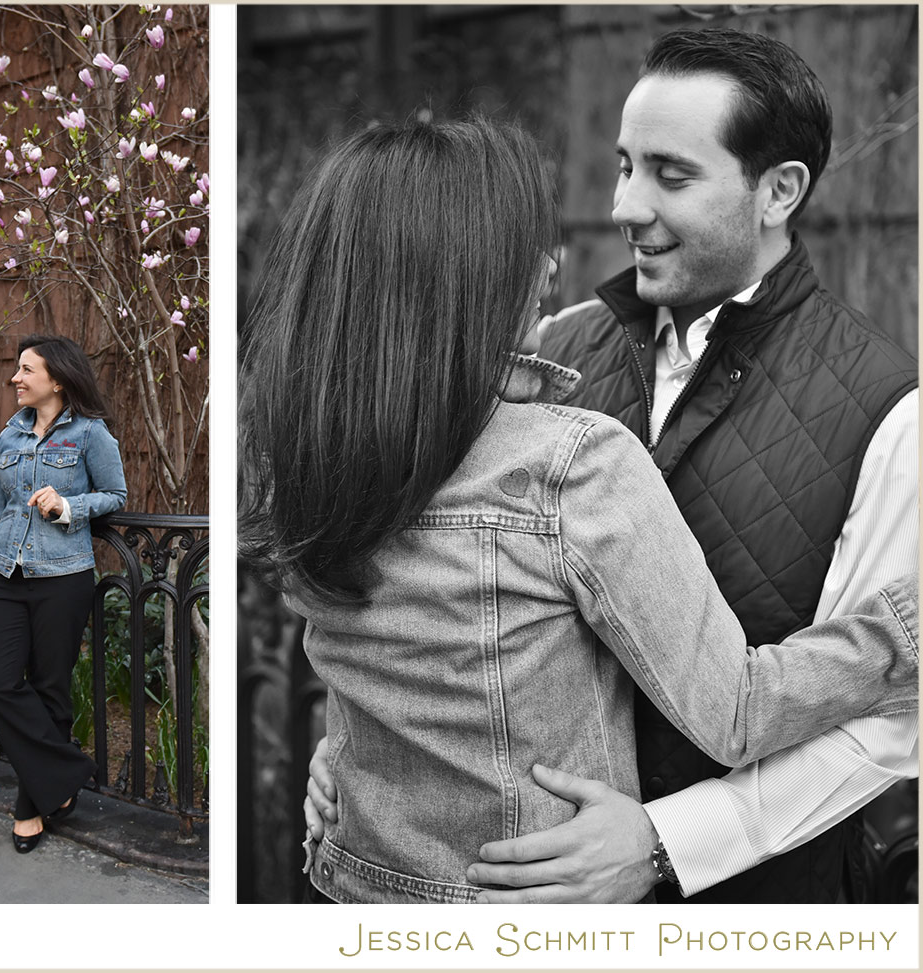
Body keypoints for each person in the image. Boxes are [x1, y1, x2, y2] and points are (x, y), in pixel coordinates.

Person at [304, 27, 919, 903]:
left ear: (778, 191)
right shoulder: (549, 351)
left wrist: (669, 841)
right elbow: (427, 595)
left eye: (671, 175)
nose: (626, 204)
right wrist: (356, 754)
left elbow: (891, 725)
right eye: (625, 165)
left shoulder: (891, 413)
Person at [0, 334, 126, 853]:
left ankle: (32, 805)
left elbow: (115, 494)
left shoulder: (90, 434)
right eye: (17, 369)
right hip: (6, 574)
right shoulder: (10, 436)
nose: (16, 378)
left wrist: (68, 504)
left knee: (50, 686)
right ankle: (70, 769)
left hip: (63, 576)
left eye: (27, 370)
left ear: (57, 377)